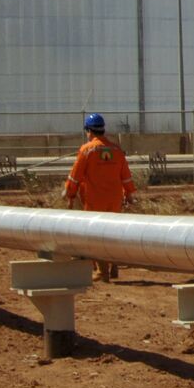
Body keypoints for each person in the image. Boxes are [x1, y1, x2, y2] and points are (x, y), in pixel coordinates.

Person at [63, 113, 136, 282]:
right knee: (112, 233)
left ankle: (102, 272)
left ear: (89, 131)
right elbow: (126, 175)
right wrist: (129, 193)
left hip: (95, 199)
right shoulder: (116, 150)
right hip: (114, 199)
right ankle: (113, 266)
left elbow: (75, 176)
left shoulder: (86, 150)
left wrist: (70, 194)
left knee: (96, 235)